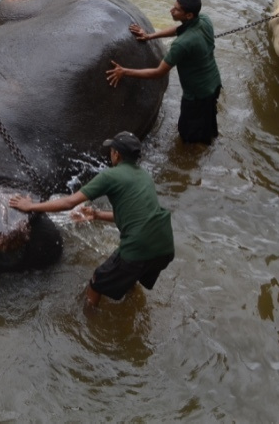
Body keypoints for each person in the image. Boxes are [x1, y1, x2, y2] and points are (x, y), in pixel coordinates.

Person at [9, 131, 174, 309]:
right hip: (164, 245)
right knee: (131, 276)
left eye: (111, 151)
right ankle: (129, 311)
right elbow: (134, 217)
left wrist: (30, 206)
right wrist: (96, 215)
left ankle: (89, 324)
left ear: (116, 154)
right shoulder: (144, 176)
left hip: (138, 246)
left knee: (96, 282)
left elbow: (69, 202)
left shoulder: (110, 175)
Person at [106, 0, 222, 145]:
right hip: (214, 83)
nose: (171, 10)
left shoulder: (181, 44)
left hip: (196, 95)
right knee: (208, 122)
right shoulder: (205, 20)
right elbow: (179, 29)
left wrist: (124, 71)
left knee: (187, 136)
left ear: (188, 15)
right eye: (173, 6)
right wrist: (149, 35)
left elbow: (158, 72)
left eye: (177, 9)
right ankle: (210, 142)